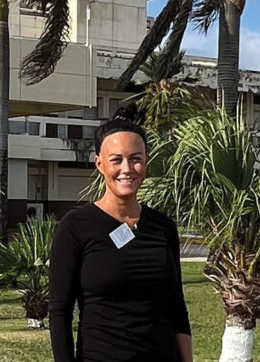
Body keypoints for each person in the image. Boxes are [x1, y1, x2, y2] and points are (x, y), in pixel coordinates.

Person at [48, 108, 192, 362]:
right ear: (100, 164)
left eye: (135, 158)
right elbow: (60, 311)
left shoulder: (163, 227)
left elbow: (176, 307)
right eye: (116, 160)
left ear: (146, 160)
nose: (127, 169)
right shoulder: (76, 226)